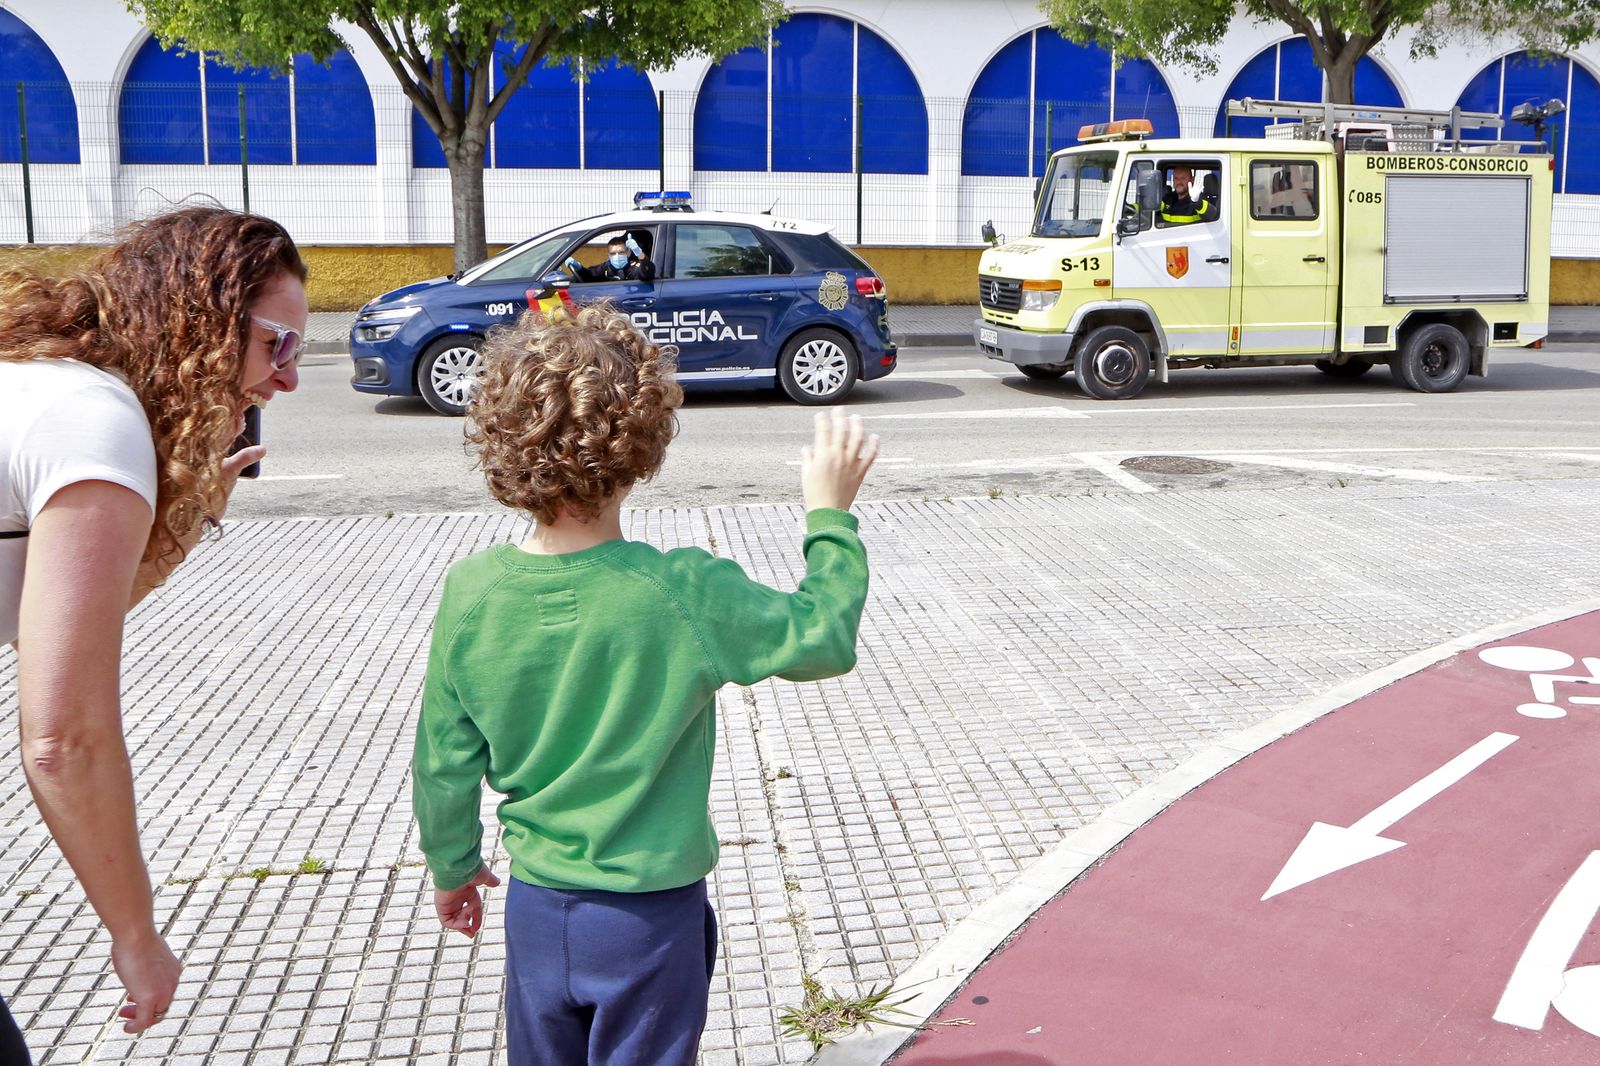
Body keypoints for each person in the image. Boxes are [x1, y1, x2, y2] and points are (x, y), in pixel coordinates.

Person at [412, 304, 877, 1065]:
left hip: (535, 911)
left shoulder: (470, 595)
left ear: (498, 440)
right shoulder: (682, 591)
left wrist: (454, 867)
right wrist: (830, 518)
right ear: (643, 447)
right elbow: (822, 637)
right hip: (648, 921)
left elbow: (442, 762)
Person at [0, 206, 307, 1059]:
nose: (287, 379)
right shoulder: (95, 422)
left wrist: (184, 519)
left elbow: (46, 631)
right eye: (276, 345)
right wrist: (136, 934)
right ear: (201, 321)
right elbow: (63, 738)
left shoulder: (46, 378)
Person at [565, 233, 655, 283]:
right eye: (613, 253)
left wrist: (640, 254)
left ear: (628, 253)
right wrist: (579, 268)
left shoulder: (634, 268)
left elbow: (648, 273)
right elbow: (590, 276)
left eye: (621, 253)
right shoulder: (605, 267)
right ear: (609, 255)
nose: (617, 256)